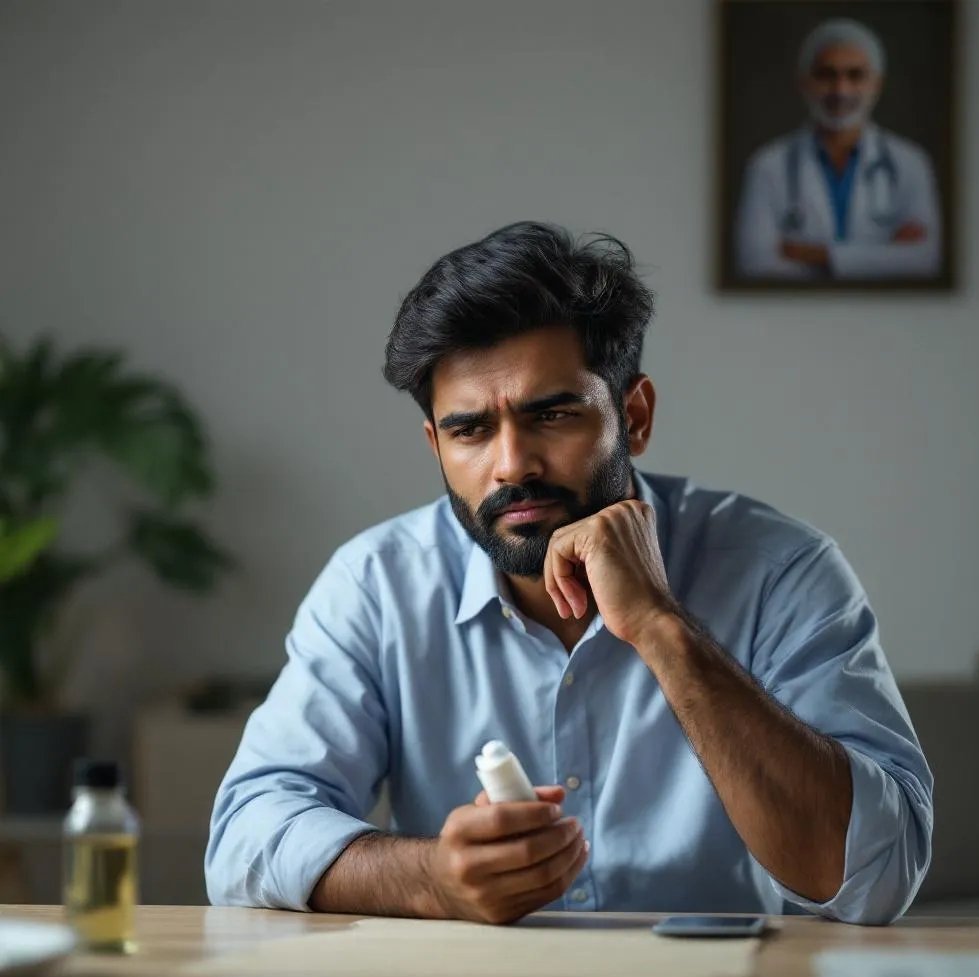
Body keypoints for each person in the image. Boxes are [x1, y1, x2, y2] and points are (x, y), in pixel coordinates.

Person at [205, 222, 932, 925]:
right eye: (470, 430)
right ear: (436, 445)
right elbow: (243, 840)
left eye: (552, 416)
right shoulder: (375, 585)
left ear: (634, 416)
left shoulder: (782, 572)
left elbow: (876, 877)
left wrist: (661, 626)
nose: (512, 463)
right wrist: (432, 880)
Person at [734, 18, 942, 280]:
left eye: (855, 75)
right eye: (826, 75)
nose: (841, 90)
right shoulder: (767, 165)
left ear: (876, 84)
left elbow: (924, 260)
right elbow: (756, 264)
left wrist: (817, 255)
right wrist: (884, 254)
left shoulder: (910, 162)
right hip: (791, 316)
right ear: (805, 82)